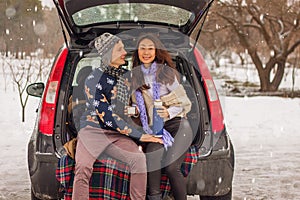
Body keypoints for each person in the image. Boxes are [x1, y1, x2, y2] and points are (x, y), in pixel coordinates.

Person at [72, 32, 162, 200]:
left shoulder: (125, 76)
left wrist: (141, 112)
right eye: (119, 49)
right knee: (83, 168)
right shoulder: (93, 79)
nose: (124, 52)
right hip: (93, 131)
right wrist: (140, 135)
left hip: (118, 134)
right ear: (108, 54)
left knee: (139, 160)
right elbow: (108, 117)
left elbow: (130, 106)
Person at [129, 33, 193, 200]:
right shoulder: (134, 77)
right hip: (155, 130)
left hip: (178, 125)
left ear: (156, 51)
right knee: (152, 160)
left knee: (172, 168)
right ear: (137, 52)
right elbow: (139, 105)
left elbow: (185, 102)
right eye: (142, 48)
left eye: (150, 48)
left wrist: (168, 111)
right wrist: (135, 110)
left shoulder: (165, 73)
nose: (146, 52)